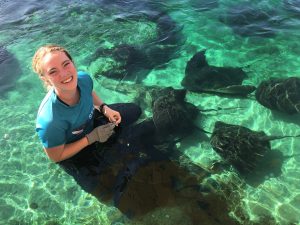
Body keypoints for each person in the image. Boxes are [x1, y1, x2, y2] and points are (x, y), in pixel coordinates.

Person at [32, 44, 142, 162]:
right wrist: (91, 138)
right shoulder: (50, 120)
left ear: (73, 62)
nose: (64, 74)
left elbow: (88, 91)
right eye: (53, 71)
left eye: (66, 64)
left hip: (92, 123)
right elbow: (56, 157)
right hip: (74, 149)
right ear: (45, 78)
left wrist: (103, 108)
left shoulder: (83, 79)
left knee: (135, 111)